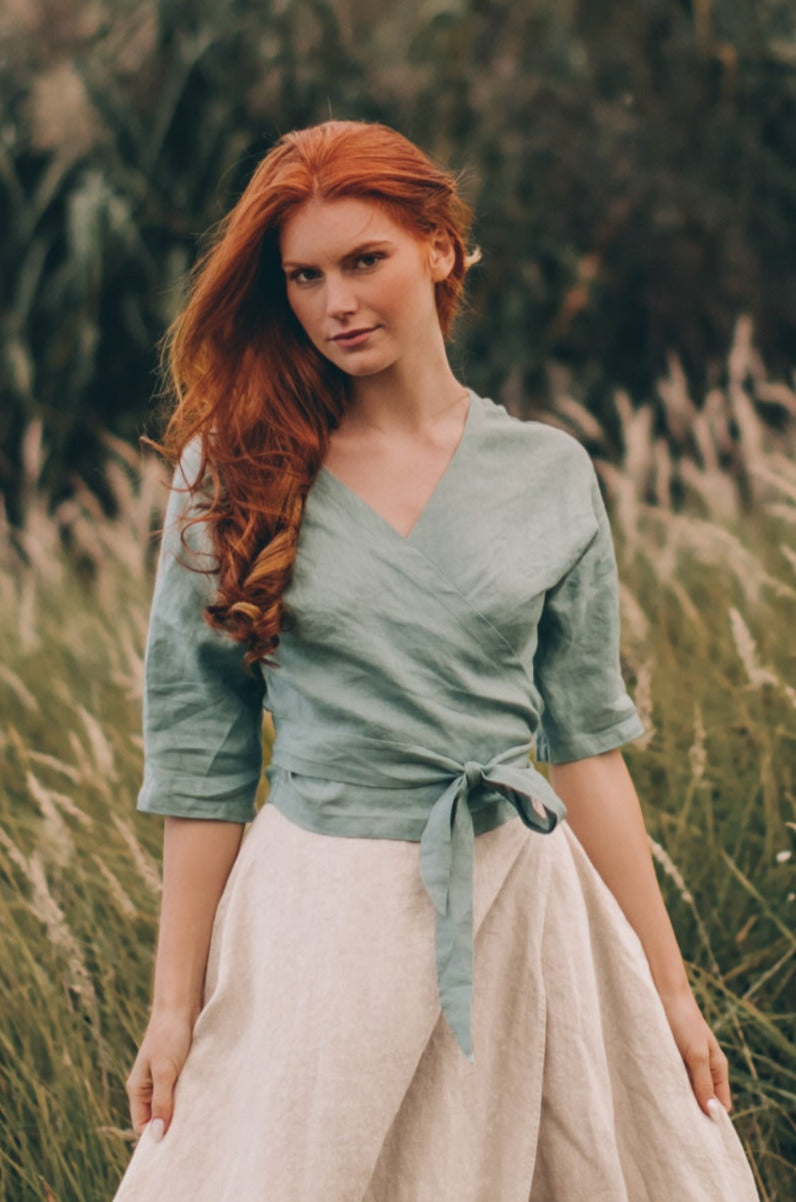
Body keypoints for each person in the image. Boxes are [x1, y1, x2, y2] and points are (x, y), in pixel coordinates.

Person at [111, 119, 760, 1200]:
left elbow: (588, 747)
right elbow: (201, 757)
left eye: (364, 260)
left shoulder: (548, 473)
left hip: (520, 905)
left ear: (440, 248)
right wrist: (174, 1006)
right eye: (305, 277)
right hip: (322, 915)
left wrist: (670, 991)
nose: (336, 303)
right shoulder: (235, 470)